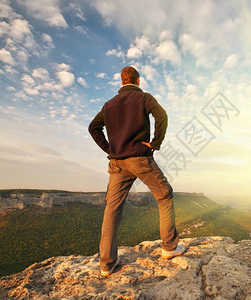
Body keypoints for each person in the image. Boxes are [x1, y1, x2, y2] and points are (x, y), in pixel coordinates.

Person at [88, 66, 186, 277]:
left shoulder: (109, 104)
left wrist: (109, 148)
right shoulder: (144, 98)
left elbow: (93, 127)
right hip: (140, 158)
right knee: (165, 195)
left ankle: (106, 264)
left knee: (112, 209)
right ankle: (169, 247)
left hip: (117, 163)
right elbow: (162, 116)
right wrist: (154, 143)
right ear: (138, 81)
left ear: (122, 82)